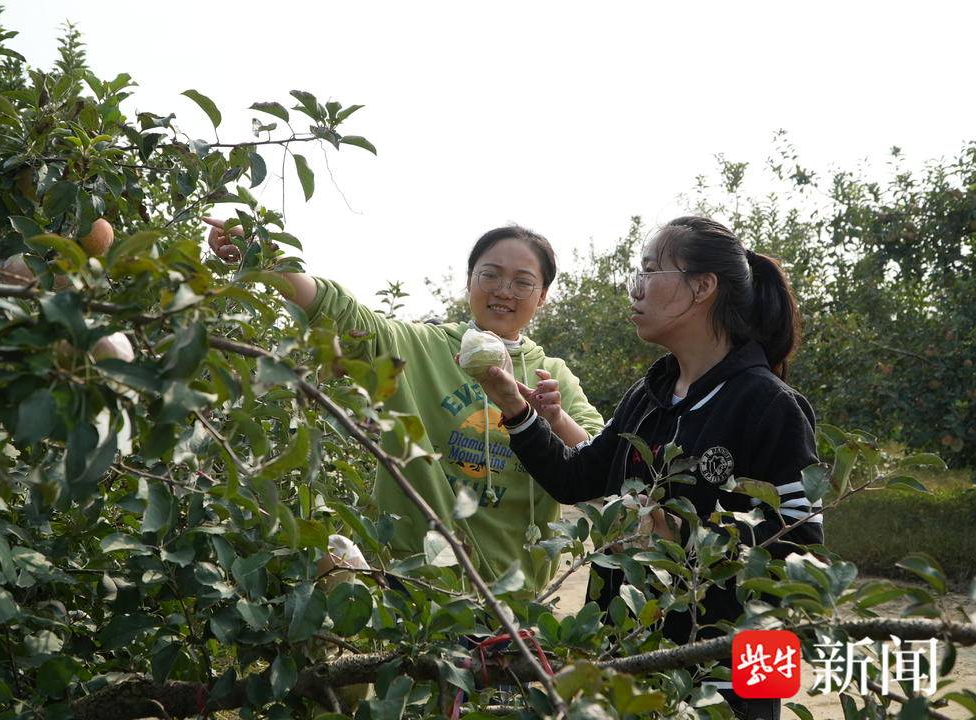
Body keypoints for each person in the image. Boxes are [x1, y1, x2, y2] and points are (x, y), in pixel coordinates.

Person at [470, 216, 824, 720]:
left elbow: (802, 550)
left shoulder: (769, 405)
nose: (635, 287)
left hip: (723, 681)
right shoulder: (650, 395)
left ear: (702, 287)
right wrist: (514, 406)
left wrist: (681, 535)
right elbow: (575, 478)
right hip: (628, 661)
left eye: (650, 270)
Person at [204, 219, 605, 591]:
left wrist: (553, 417)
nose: (503, 290)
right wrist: (264, 256)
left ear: (543, 296)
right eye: (490, 275)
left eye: (523, 282)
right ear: (469, 280)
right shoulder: (419, 347)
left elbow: (598, 465)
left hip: (517, 599)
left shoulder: (552, 375)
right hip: (416, 592)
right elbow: (343, 314)